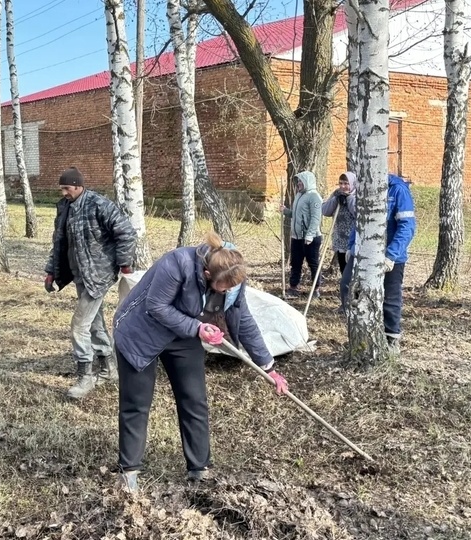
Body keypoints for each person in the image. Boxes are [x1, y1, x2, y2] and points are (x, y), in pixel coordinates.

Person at [112, 232, 289, 493]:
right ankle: (129, 471)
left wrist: (268, 367)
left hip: (184, 334)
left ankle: (199, 468)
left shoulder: (233, 276)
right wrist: (197, 327)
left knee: (194, 399)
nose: (227, 292)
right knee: (136, 403)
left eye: (231, 289)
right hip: (142, 331)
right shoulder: (177, 264)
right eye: (223, 288)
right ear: (207, 275)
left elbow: (243, 319)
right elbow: (157, 306)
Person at [44, 167, 137, 400]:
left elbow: (126, 232)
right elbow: (59, 243)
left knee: (79, 325)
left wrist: (124, 263)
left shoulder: (99, 204)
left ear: (78, 186)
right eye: (62, 188)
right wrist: (51, 271)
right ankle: (109, 370)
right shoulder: (64, 207)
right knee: (95, 323)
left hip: (98, 274)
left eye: (66, 188)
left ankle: (85, 377)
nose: (63, 192)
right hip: (79, 275)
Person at [340, 173, 416, 353]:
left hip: (390, 256)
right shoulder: (365, 187)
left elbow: (407, 226)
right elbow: (359, 221)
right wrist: (351, 246)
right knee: (347, 286)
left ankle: (391, 338)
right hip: (362, 253)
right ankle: (359, 333)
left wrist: (391, 255)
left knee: (390, 297)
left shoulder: (398, 190)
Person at [281, 171, 323, 297]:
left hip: (311, 237)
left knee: (313, 263)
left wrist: (310, 235)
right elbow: (296, 215)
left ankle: (316, 289)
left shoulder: (314, 196)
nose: (299, 183)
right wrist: (286, 211)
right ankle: (293, 287)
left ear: (307, 181)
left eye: (301, 181)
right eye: (298, 181)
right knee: (296, 262)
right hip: (297, 237)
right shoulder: (299, 195)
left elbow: (316, 218)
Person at [321, 172, 357, 279]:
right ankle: (345, 289)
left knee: (352, 273)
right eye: (340, 183)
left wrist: (349, 198)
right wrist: (336, 199)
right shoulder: (337, 193)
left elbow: (357, 213)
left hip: (353, 241)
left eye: (346, 183)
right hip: (340, 240)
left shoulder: (357, 195)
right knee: (343, 271)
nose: (343, 186)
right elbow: (325, 210)